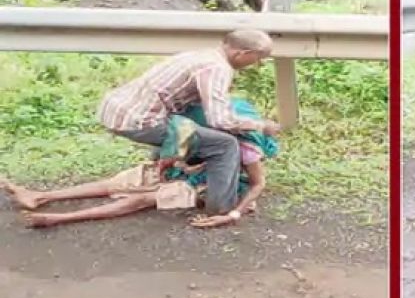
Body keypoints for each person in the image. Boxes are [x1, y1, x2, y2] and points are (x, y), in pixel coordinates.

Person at [2, 98, 278, 229]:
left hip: (214, 183)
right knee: (121, 182)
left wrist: (234, 214)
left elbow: (257, 183)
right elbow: (177, 136)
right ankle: (40, 195)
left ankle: (60, 218)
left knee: (143, 199)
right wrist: (170, 164)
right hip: (190, 167)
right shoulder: (201, 119)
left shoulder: (245, 146)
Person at [98, 29, 279, 219]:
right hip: (138, 121)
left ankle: (164, 167)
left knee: (188, 126)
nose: (256, 65)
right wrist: (260, 126)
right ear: (243, 54)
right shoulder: (218, 68)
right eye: (257, 59)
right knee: (224, 145)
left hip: (116, 109)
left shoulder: (201, 55)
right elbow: (220, 120)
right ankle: (221, 207)